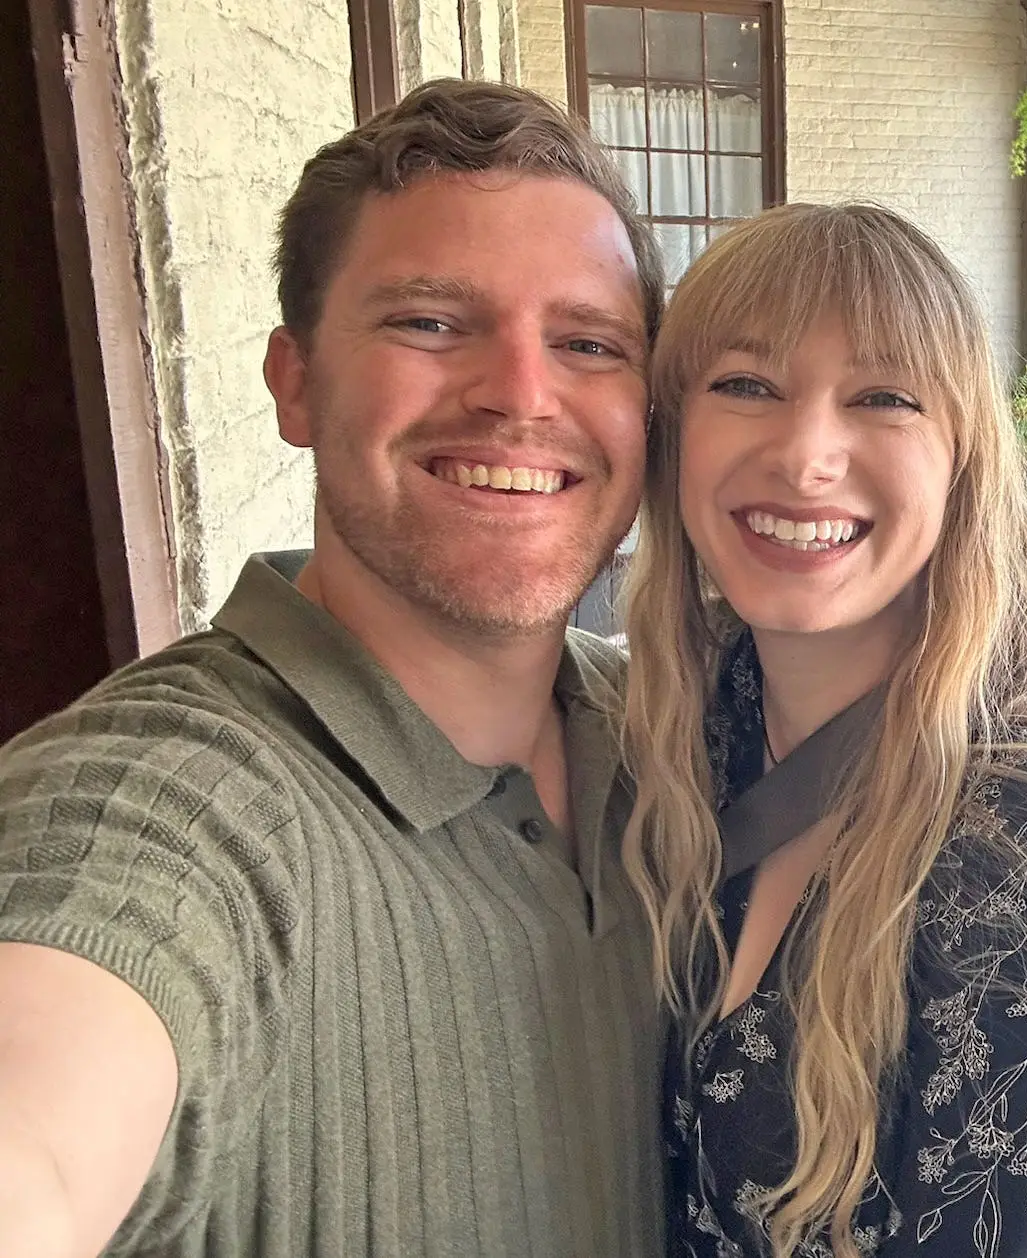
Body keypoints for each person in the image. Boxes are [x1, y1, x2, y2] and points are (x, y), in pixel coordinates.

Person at [0, 80, 667, 1257]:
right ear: (295, 381)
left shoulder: (660, 731)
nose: (521, 392)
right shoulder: (176, 806)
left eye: (587, 343)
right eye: (428, 321)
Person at [620, 203, 1027, 1258]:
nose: (805, 457)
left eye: (883, 398)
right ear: (671, 436)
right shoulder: (704, 715)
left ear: (963, 465)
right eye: (746, 385)